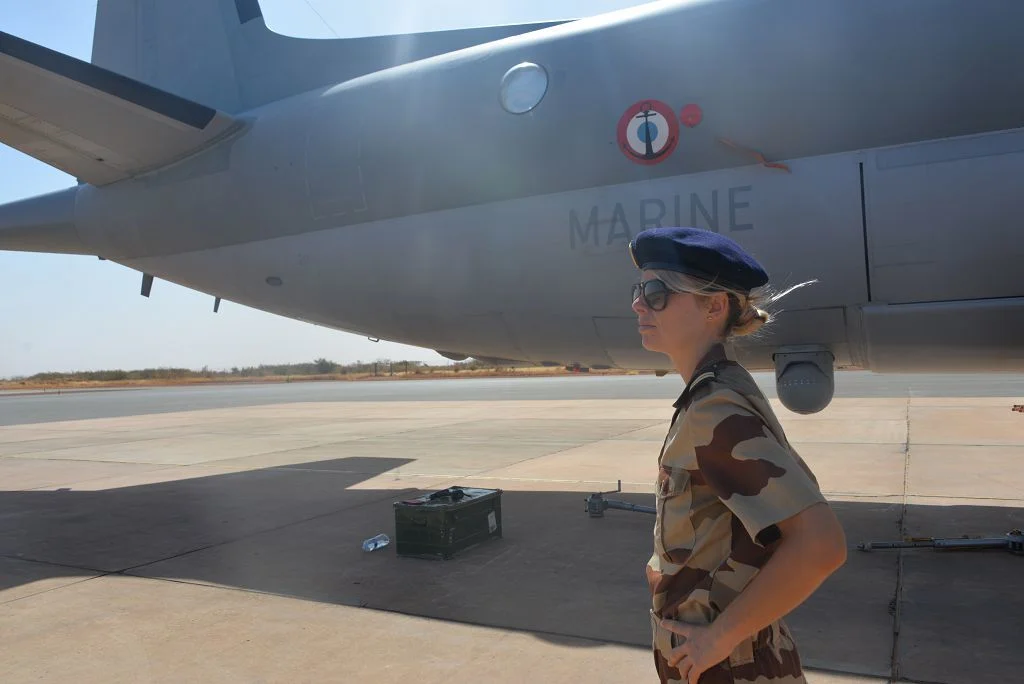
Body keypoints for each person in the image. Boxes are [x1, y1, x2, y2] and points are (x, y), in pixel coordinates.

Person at [628, 227, 847, 684]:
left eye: (656, 293)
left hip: (730, 669)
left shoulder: (714, 407)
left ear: (713, 306)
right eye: (638, 291)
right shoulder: (716, 390)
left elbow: (820, 544)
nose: (638, 305)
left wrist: (720, 637)